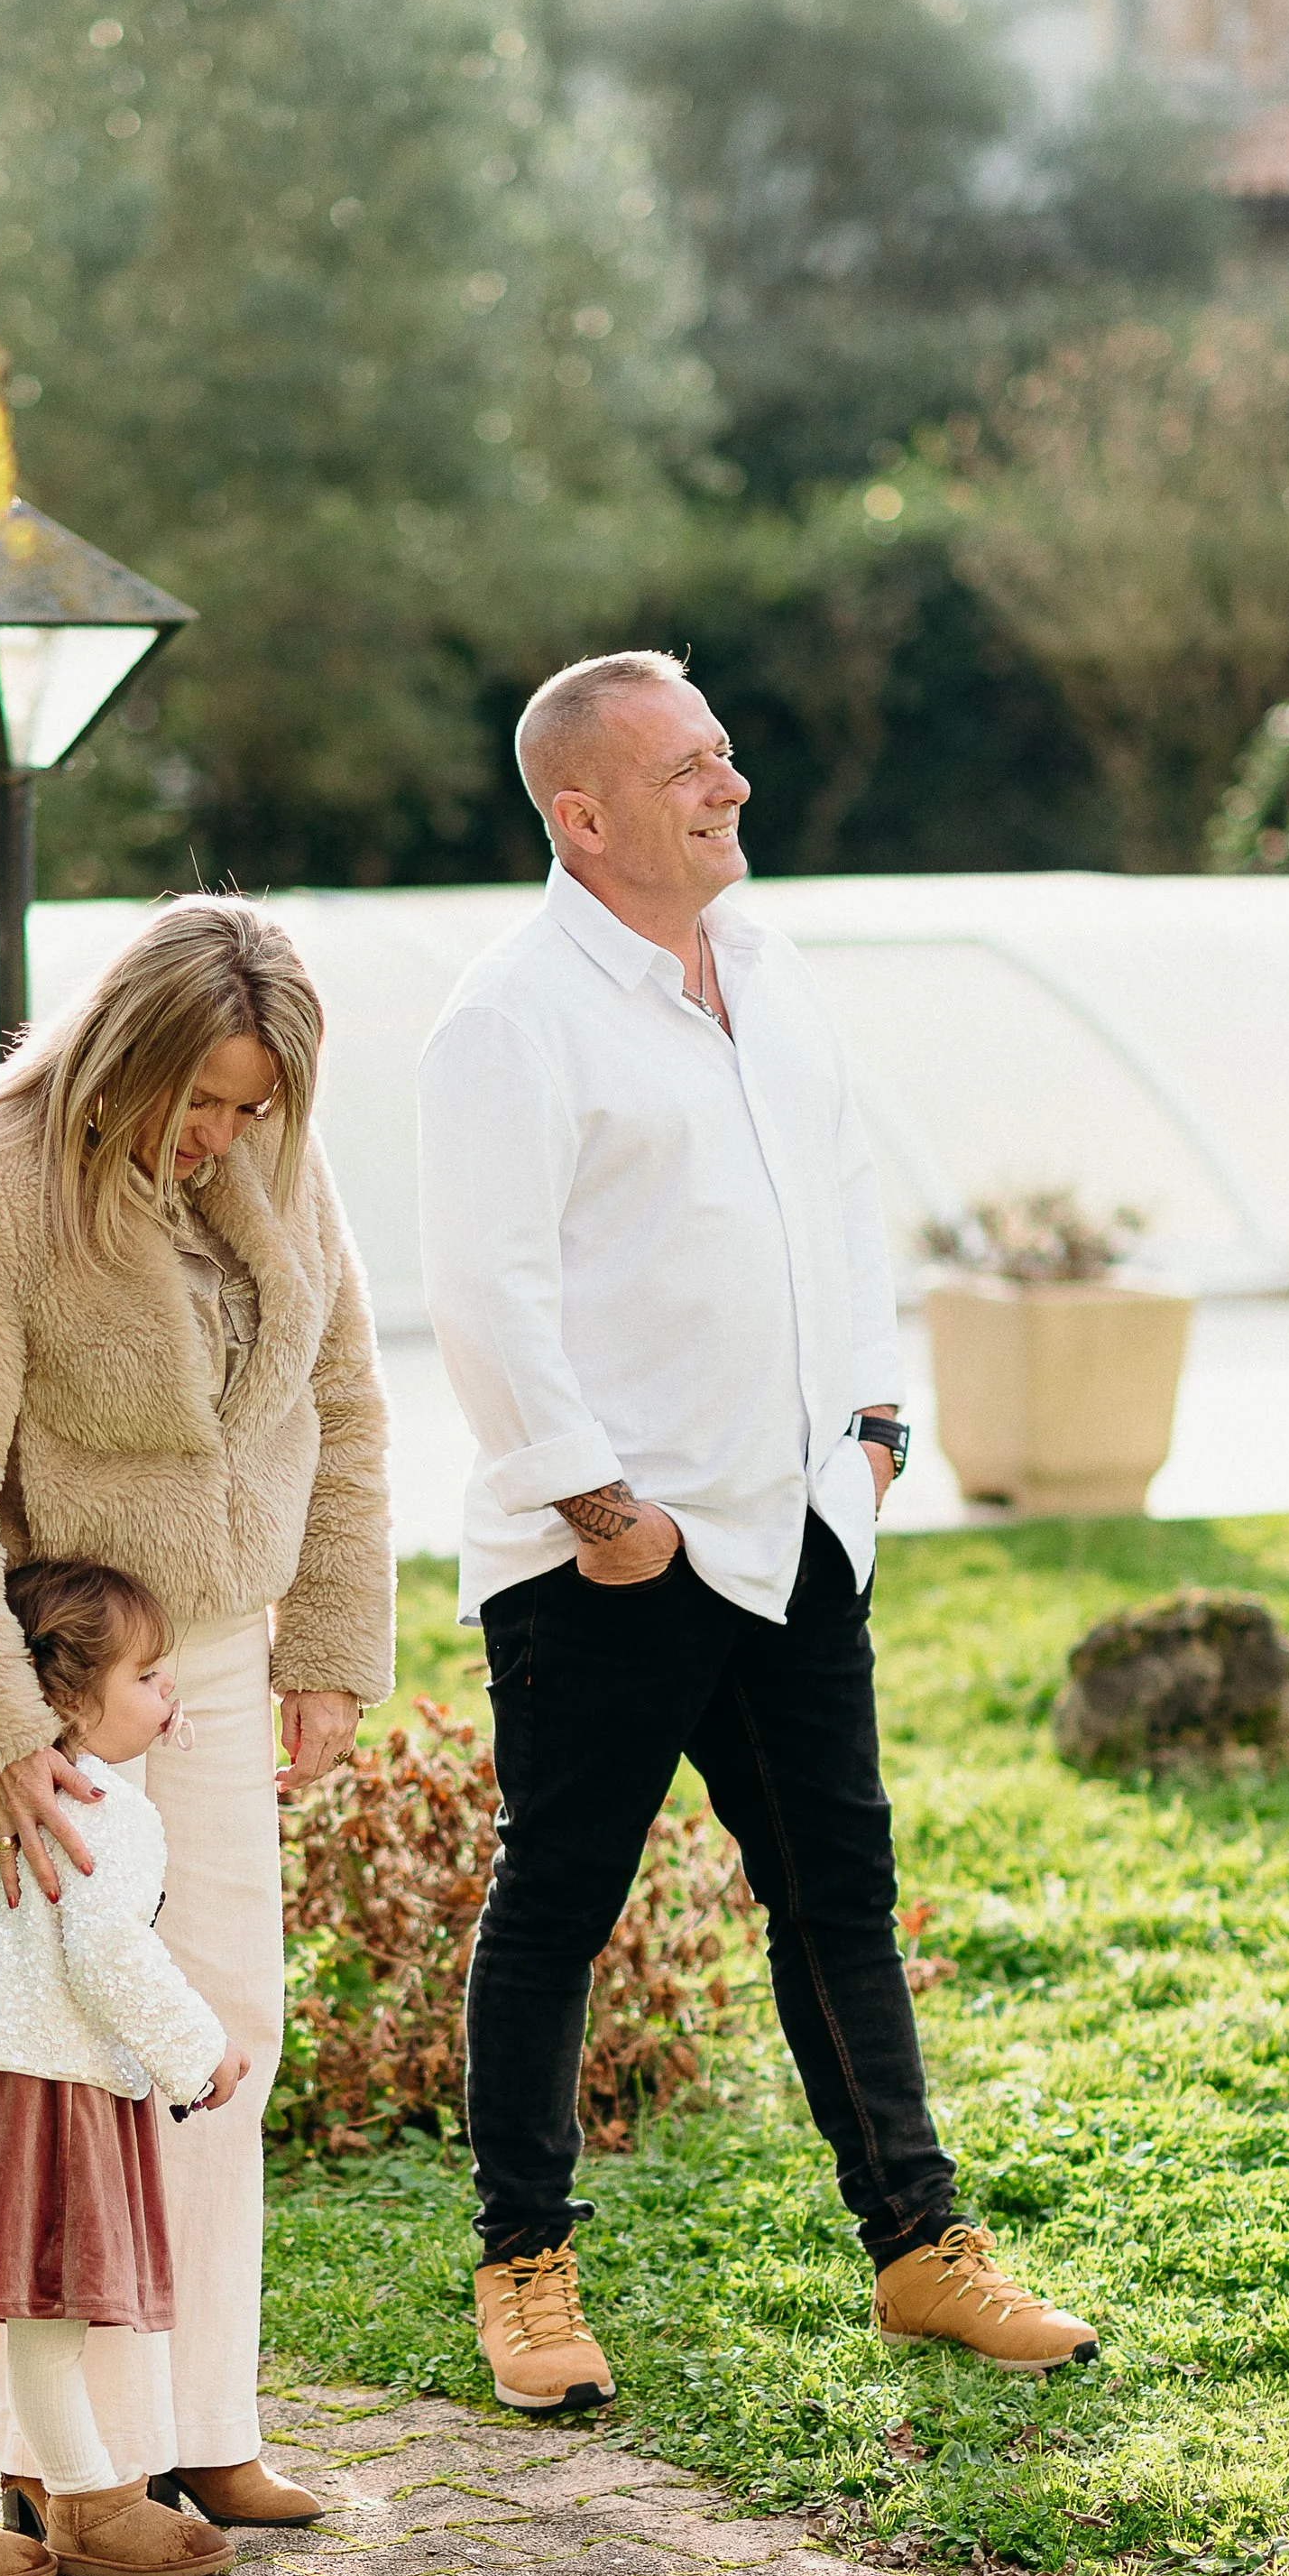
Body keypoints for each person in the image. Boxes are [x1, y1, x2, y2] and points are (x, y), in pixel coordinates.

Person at [417, 650, 1099, 2412]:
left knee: (838, 1902)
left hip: (798, 1530)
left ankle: (916, 2250)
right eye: (686, 770)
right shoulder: (508, 1016)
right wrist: (599, 1508)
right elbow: (481, 1296)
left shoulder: (774, 974)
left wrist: (868, 1429)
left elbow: (838, 1209)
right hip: (612, 1554)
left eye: (723, 754)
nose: (728, 787)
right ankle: (522, 2273)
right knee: (557, 1905)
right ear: (581, 816)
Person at [0, 896, 393, 2531]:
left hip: (222, 1664)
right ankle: (68, 2464)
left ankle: (202, 2421)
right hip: (62, 1686)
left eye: (252, 1108)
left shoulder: (273, 1162)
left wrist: (330, 1645)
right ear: (123, 1046)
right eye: (203, 1099)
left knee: (220, 2030)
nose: (223, 1136)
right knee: (72, 2066)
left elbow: (346, 1402)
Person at [0, 1559, 243, 2576]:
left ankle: (86, 2499)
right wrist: (201, 2054)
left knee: (42, 2323)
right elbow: (106, 1953)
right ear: (70, 1697)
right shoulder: (105, 1805)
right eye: (149, 1676)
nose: (170, 1696)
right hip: (42, 2095)